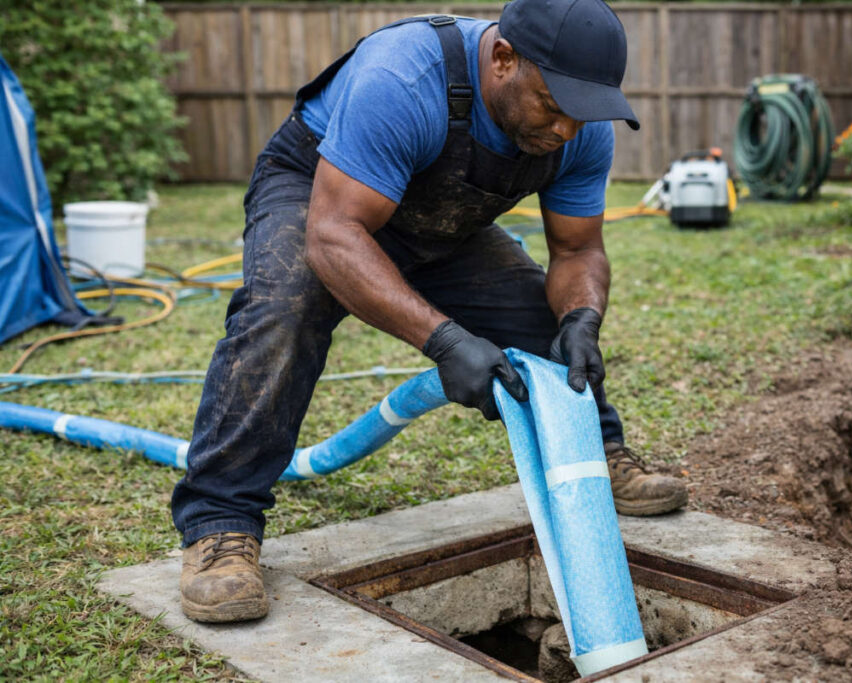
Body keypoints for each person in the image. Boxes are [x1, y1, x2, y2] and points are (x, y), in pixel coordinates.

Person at [172, 0, 689, 624]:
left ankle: (598, 450)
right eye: (553, 107)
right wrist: (444, 342)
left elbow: (578, 249)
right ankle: (220, 525)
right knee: (286, 303)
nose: (566, 131)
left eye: (582, 114)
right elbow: (334, 234)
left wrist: (581, 318)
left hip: (440, 224)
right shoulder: (403, 79)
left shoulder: (579, 125)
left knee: (539, 320)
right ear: (503, 59)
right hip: (324, 197)